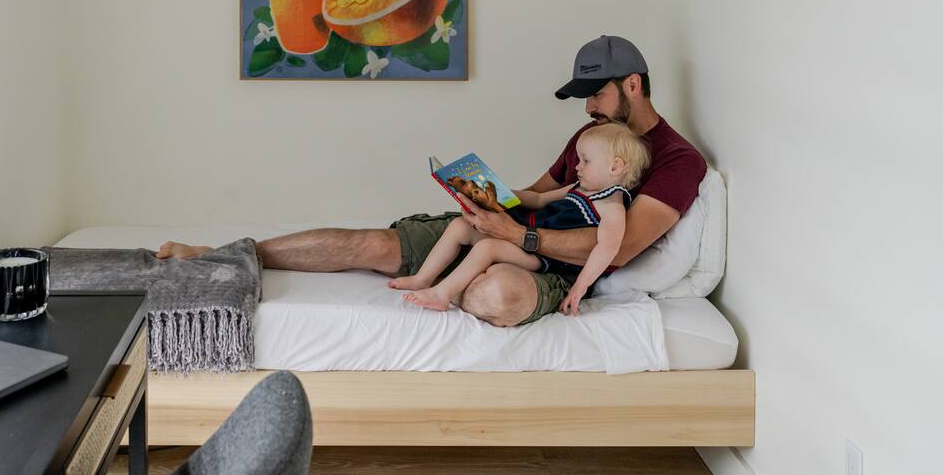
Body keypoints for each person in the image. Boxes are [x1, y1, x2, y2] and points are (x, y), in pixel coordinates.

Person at [158, 35, 707, 327]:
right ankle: (224, 255)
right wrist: (488, 199)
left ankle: (447, 286)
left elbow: (619, 247)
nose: (587, 108)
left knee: (499, 294)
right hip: (512, 231)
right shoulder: (593, 136)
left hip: (552, 265)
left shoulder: (678, 161)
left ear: (632, 84)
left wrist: (515, 236)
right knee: (369, 245)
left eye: (597, 94)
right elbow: (539, 194)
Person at [387, 123, 650, 316]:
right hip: (527, 235)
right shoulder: (579, 188)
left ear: (615, 167)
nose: (577, 167)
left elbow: (608, 248)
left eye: (586, 161)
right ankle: (422, 278)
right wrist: (497, 191)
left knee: (488, 247)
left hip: (547, 259)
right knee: (460, 225)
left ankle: (441, 294)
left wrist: (580, 287)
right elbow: (538, 199)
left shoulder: (612, 204)